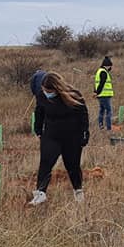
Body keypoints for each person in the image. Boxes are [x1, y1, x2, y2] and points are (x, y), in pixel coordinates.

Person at [29, 72, 89, 206]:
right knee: (45, 163)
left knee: (72, 165)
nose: (45, 93)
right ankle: (40, 193)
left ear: (57, 89)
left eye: (48, 91)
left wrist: (84, 133)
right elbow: (39, 113)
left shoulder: (74, 95)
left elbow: (83, 115)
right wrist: (38, 130)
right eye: (44, 90)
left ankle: (78, 192)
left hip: (72, 137)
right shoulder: (41, 96)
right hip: (51, 136)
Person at [94, 56, 114, 130]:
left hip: (101, 95)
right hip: (104, 95)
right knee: (109, 111)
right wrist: (97, 92)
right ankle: (108, 128)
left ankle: (101, 126)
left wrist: (95, 92)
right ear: (107, 65)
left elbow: (96, 83)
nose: (111, 68)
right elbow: (101, 83)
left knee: (102, 111)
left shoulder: (99, 71)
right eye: (110, 66)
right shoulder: (103, 72)